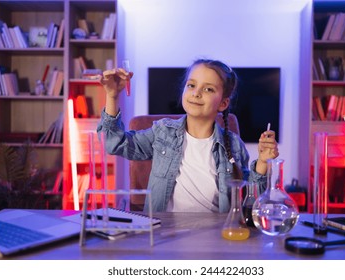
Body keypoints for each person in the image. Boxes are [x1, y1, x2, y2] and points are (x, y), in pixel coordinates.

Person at [97, 58, 279, 213]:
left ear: (223, 103)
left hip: (216, 234)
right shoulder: (162, 133)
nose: (196, 93)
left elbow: (250, 200)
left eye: (208, 89)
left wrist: (263, 162)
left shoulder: (233, 144)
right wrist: (112, 96)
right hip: (163, 234)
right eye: (191, 85)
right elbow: (114, 143)